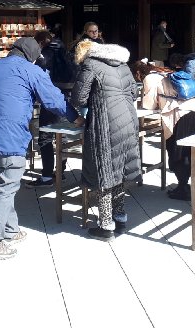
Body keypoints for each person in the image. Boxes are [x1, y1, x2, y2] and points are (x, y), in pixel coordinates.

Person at [0, 37, 75, 261]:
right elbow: (53, 100)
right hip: (11, 136)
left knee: (5, 182)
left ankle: (11, 230)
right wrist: (75, 117)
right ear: (32, 56)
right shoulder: (30, 70)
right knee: (7, 187)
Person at [71, 39, 140, 241]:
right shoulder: (124, 65)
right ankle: (120, 218)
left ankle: (106, 225)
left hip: (106, 124)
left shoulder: (91, 64)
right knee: (119, 172)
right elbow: (134, 92)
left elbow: (78, 98)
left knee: (104, 174)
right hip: (127, 121)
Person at [134, 61, 195, 201]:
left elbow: (149, 105)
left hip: (179, 116)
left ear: (138, 73)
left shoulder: (149, 78)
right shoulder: (165, 72)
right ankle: (185, 185)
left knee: (178, 152)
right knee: (189, 152)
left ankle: (183, 188)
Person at [29, 28, 75, 188]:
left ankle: (47, 176)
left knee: (45, 137)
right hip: (67, 97)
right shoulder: (64, 50)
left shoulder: (44, 55)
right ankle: (60, 173)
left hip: (51, 99)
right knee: (62, 136)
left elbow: (39, 78)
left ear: (41, 42)